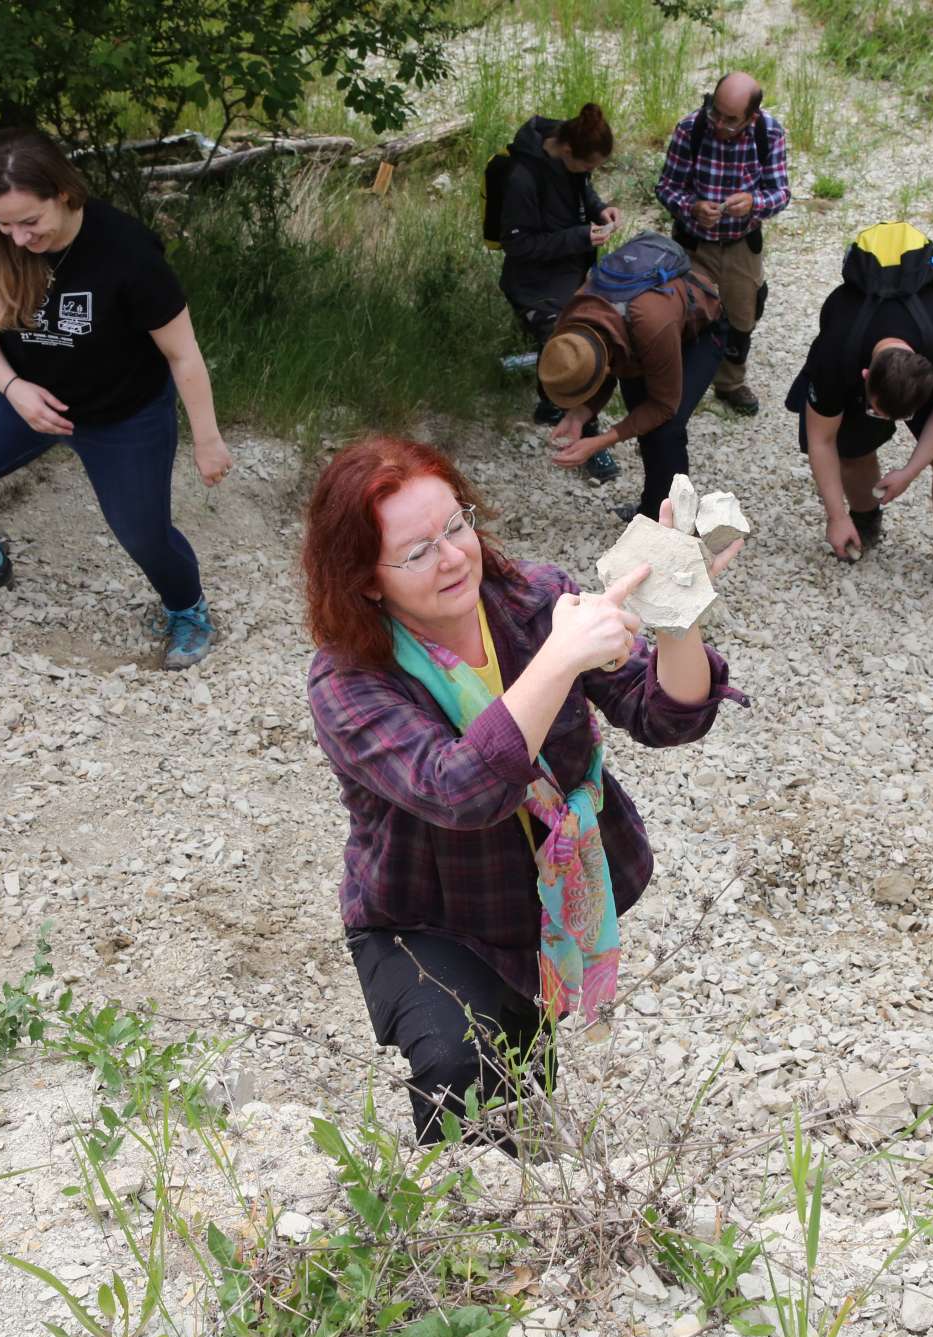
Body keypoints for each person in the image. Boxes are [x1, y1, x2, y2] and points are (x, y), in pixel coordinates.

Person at [303, 436, 746, 1145]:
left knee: (524, 1086)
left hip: (541, 902)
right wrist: (559, 659)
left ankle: (527, 1189)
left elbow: (665, 715)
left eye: (456, 526)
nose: (453, 557)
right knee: (461, 1069)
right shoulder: (349, 679)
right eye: (417, 552)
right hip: (423, 917)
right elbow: (459, 790)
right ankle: (457, 1205)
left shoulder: (533, 598)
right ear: (366, 579)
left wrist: (677, 619)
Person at [0, 127, 229, 669]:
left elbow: (182, 353)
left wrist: (207, 440)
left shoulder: (128, 253)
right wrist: (11, 386)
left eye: (29, 222)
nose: (16, 238)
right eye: (3, 224)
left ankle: (186, 609)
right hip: (19, 393)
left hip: (120, 412)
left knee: (144, 534)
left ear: (65, 193)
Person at [789, 222, 933, 604]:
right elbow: (822, 440)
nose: (888, 422)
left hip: (924, 366)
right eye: (879, 412)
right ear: (865, 377)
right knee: (852, 451)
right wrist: (836, 516)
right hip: (851, 357)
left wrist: (910, 470)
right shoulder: (835, 355)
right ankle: (862, 521)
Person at [536, 238, 724, 523]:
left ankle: (678, 524)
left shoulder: (650, 322)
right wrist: (578, 415)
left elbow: (663, 406)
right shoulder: (570, 325)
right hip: (635, 338)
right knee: (643, 420)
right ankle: (652, 511)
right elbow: (601, 364)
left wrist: (600, 442)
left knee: (665, 430)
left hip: (699, 333)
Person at [496, 103, 625, 483]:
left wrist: (600, 210)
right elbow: (517, 245)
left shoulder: (568, 157)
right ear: (567, 150)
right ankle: (587, 438)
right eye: (588, 166)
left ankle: (550, 402)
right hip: (534, 282)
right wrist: (580, 237)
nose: (589, 172)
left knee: (578, 335)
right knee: (577, 346)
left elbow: (582, 190)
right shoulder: (522, 177)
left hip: (569, 271)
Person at [653, 71, 792, 417]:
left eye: (730, 119)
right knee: (684, 313)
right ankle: (677, 384)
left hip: (741, 242)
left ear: (751, 117)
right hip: (693, 243)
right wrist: (692, 207)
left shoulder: (769, 133)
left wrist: (755, 203)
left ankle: (729, 383)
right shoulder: (690, 129)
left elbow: (781, 193)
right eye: (715, 111)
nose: (718, 123)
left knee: (743, 316)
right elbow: (666, 187)